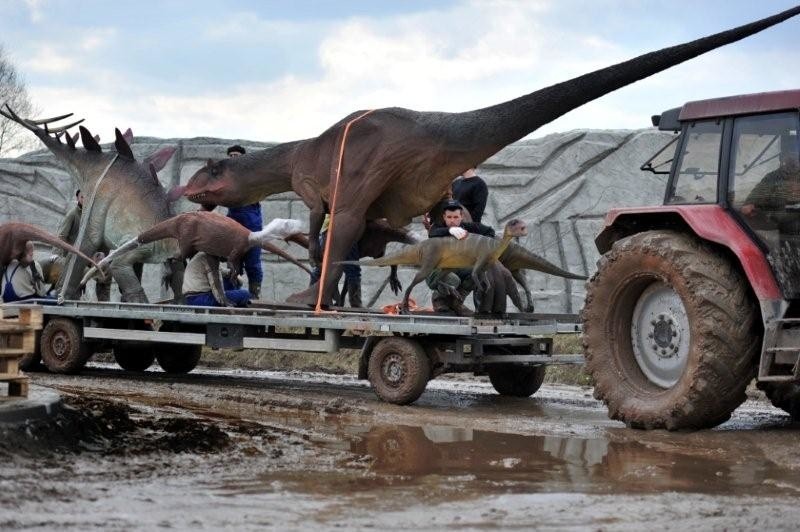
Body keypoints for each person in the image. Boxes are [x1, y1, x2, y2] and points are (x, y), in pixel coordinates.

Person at [426, 200, 494, 314]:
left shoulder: (468, 227)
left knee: (478, 272)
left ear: (461, 216)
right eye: (449, 217)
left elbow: (490, 231)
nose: (452, 220)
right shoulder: (437, 229)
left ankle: (457, 302)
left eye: (456, 217)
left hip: (457, 267)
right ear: (444, 217)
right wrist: (450, 230)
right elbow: (433, 233)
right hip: (436, 271)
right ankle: (438, 300)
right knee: (453, 280)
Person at [53, 189, 112, 300]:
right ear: (78, 198)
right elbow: (61, 237)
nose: (85, 199)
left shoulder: (94, 216)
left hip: (88, 255)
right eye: (82, 197)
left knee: (105, 270)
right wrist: (72, 250)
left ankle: (103, 304)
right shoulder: (72, 215)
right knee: (80, 273)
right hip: (73, 256)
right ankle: (70, 301)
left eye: (88, 197)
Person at [225, 145, 264, 299]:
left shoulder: (252, 176)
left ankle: (254, 295)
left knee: (253, 262)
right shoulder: (224, 177)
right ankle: (234, 294)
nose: (233, 158)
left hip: (252, 223)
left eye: (237, 155)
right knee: (233, 261)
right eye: (231, 156)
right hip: (233, 222)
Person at [309, 214, 362, 307]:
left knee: (322, 268)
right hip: (344, 229)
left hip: (328, 230)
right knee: (353, 270)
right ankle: (356, 304)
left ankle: (312, 298)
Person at [182, 252, 250, 307]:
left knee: (230, 281)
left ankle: (237, 297)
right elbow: (216, 283)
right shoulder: (210, 259)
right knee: (245, 294)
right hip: (200, 298)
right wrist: (225, 301)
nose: (227, 258)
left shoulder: (205, 255)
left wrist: (232, 274)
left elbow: (221, 272)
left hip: (193, 298)